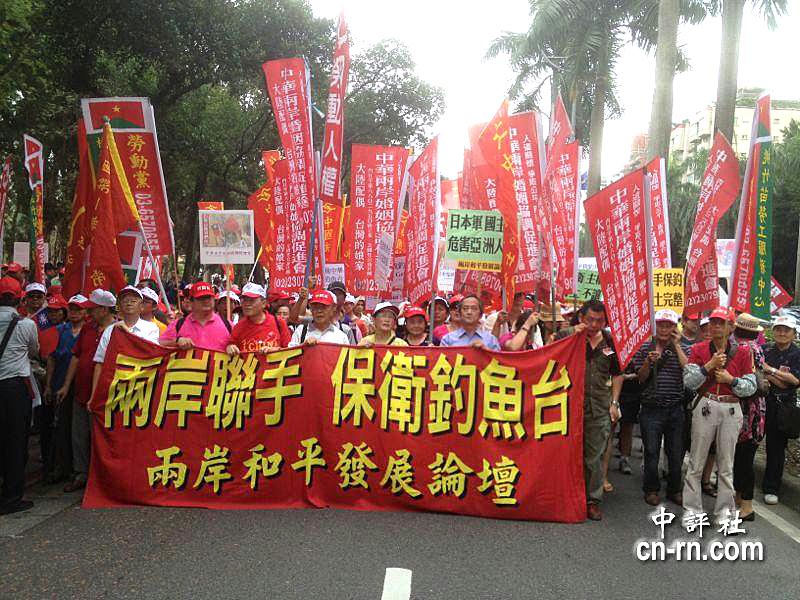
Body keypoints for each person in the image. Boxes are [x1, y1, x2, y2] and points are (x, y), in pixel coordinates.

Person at [682, 306, 757, 525]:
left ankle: (724, 512)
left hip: (731, 407)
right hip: (705, 404)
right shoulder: (698, 349)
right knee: (696, 461)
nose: (716, 326)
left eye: (721, 323)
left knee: (726, 464)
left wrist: (730, 380)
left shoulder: (743, 352)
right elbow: (689, 382)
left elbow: (750, 386)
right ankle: (692, 510)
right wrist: (709, 366)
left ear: (731, 327)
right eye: (713, 322)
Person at [555, 300, 622, 521]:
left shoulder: (610, 342)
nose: (593, 325)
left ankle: (593, 500)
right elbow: (549, 356)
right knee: (567, 453)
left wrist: (614, 403)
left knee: (594, 456)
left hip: (599, 406)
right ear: (581, 317)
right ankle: (566, 495)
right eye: (589, 319)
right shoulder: (567, 335)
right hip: (568, 406)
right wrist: (572, 335)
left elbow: (618, 374)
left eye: (599, 321)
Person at [56, 289, 116, 492]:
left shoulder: (118, 330)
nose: (88, 313)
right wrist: (66, 385)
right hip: (81, 392)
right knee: (79, 435)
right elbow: (76, 356)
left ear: (104, 309)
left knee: (100, 437)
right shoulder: (88, 328)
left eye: (92, 309)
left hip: (105, 395)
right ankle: (81, 473)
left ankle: (100, 477)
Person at [631, 309, 689, 506]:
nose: (664, 329)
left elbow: (689, 371)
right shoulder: (644, 348)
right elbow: (640, 378)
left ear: (675, 328)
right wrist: (648, 362)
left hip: (675, 408)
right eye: (660, 325)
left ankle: (674, 489)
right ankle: (651, 489)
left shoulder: (683, 348)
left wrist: (677, 345)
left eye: (668, 325)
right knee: (651, 451)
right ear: (654, 327)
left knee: (675, 452)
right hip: (651, 409)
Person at [0, 276, 39, 514]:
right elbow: (34, 351)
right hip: (15, 387)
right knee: (15, 441)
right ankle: (11, 497)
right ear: (19, 299)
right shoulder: (26, 325)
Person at [42, 295, 86, 483]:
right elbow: (51, 359)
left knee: (79, 430)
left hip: (82, 386)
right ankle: (61, 467)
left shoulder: (89, 331)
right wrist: (48, 385)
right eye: (72, 309)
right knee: (60, 426)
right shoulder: (59, 330)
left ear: (85, 312)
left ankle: (79, 468)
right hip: (60, 385)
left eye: (79, 309)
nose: (75, 313)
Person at [731, 313, 768, 520]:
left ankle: (747, 506)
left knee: (743, 459)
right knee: (742, 457)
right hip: (755, 409)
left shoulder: (743, 348)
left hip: (746, 409)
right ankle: (739, 499)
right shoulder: (757, 348)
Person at [92, 286, 160, 397]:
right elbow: (100, 363)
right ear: (119, 306)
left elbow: (150, 355)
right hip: (112, 388)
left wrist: (126, 333)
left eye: (133, 301)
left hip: (138, 388)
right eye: (125, 301)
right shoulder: (110, 330)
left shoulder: (151, 328)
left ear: (141, 306)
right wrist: (94, 395)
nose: (129, 303)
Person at [761, 315, 800, 505]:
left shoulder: (797, 354)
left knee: (776, 448)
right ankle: (740, 481)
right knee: (749, 442)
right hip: (761, 402)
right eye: (778, 329)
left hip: (783, 406)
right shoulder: (765, 349)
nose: (782, 333)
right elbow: (757, 370)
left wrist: (770, 371)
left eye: (786, 330)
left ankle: (771, 488)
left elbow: (794, 381)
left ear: (794, 333)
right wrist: (780, 377)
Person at [160, 281, 231, 352]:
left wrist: (232, 346)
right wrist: (177, 341)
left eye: (209, 297)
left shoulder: (228, 325)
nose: (206, 301)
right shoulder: (178, 325)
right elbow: (160, 344)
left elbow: (237, 346)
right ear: (191, 302)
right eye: (201, 298)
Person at [226, 282, 291, 355]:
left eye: (252, 300)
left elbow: (290, 350)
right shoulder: (239, 327)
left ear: (264, 303)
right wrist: (230, 347)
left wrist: (276, 350)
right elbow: (230, 345)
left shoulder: (279, 323)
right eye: (244, 300)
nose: (247, 304)